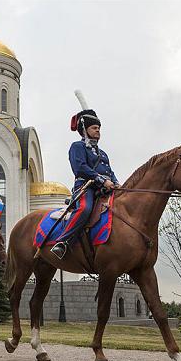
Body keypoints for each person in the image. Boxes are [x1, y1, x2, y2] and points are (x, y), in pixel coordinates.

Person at [50, 109, 119, 259]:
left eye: (99, 128)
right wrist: (101, 180)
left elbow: (109, 171)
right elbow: (80, 168)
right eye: (94, 128)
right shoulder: (77, 147)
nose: (98, 131)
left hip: (105, 188)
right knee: (85, 208)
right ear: (85, 130)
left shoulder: (103, 153)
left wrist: (116, 183)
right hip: (86, 187)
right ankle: (63, 242)